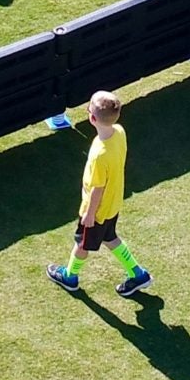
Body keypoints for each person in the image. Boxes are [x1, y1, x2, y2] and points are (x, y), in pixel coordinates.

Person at [46, 91, 152, 298]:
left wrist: (89, 215)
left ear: (92, 118)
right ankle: (138, 274)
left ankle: (69, 277)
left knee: (82, 243)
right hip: (113, 203)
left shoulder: (98, 155)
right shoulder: (119, 131)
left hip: (98, 211)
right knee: (110, 238)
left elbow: (97, 188)